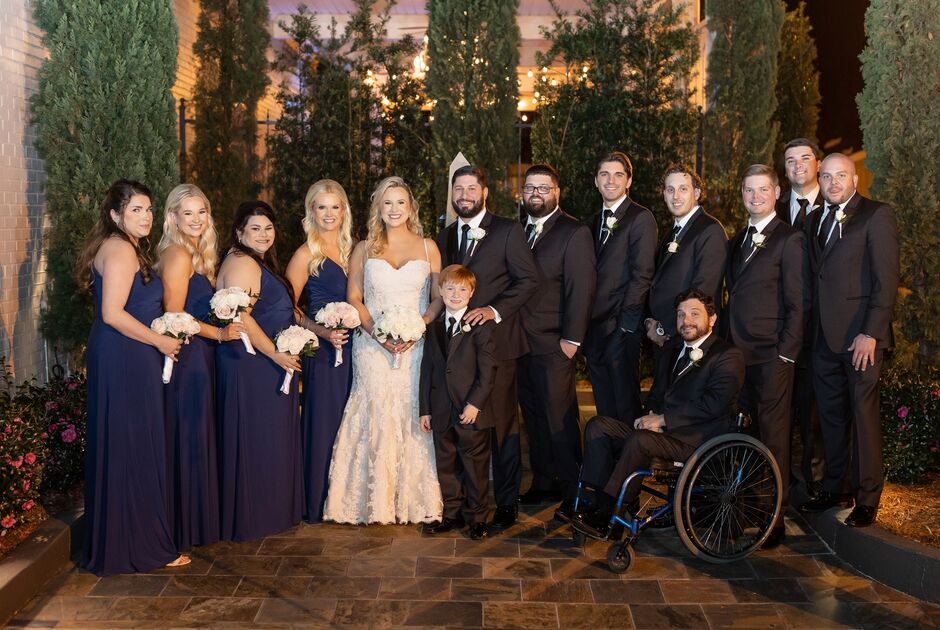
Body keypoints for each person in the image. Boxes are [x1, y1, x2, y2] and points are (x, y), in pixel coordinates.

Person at [568, 289, 745, 538]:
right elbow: (658, 392)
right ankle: (594, 501)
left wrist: (663, 420)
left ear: (712, 319)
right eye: (681, 314)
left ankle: (610, 514)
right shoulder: (673, 350)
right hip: (663, 435)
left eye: (695, 314)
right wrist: (650, 413)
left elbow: (714, 405)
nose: (686, 320)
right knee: (599, 426)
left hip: (698, 442)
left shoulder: (727, 355)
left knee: (640, 441)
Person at [79, 180, 188, 574]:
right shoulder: (122, 249)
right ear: (115, 215)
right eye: (136, 210)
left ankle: (124, 541)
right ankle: (142, 547)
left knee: (128, 444)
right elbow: (112, 313)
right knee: (135, 445)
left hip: (124, 352)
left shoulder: (123, 246)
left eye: (149, 209)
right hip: (124, 355)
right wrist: (160, 341)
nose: (146, 217)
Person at [323, 176, 444, 524]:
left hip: (414, 347)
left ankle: (411, 501)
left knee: (410, 412)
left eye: (400, 202)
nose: (394, 209)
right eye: (387, 203)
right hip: (371, 347)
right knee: (373, 410)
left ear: (411, 207)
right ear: (378, 207)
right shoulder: (364, 248)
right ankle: (368, 502)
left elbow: (437, 298)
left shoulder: (428, 248)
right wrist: (377, 333)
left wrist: (419, 326)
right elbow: (354, 297)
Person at [436, 165, 540, 529]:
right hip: (456, 353)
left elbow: (529, 280)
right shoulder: (445, 236)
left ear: (484, 193)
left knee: (502, 428)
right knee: (461, 429)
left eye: (471, 189)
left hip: (499, 345)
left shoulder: (508, 230)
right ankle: (464, 505)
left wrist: (493, 311)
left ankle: (506, 503)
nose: (464, 195)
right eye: (458, 189)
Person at [799, 153, 899, 528]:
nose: (833, 182)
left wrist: (871, 332)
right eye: (826, 176)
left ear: (855, 179)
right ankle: (836, 488)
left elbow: (886, 279)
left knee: (863, 417)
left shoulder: (876, 215)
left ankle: (868, 496)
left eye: (841, 175)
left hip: (861, 339)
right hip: (823, 339)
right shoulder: (814, 220)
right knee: (831, 417)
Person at [156, 184, 244, 551]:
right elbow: (174, 315)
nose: (196, 219)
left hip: (201, 357)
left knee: (197, 435)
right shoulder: (178, 255)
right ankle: (183, 528)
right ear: (173, 217)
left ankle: (196, 523)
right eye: (187, 213)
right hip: (188, 359)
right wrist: (220, 333)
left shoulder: (199, 255)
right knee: (189, 436)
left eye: (201, 212)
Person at [724, 165, 805, 548]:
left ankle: (775, 521)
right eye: (749, 190)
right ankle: (746, 510)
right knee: (743, 436)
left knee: (773, 439)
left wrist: (786, 354)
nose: (755, 197)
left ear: (776, 194)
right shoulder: (737, 239)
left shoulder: (790, 239)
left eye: (762, 190)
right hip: (738, 355)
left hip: (772, 357)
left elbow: (798, 302)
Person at [216, 201, 303, 541]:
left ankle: (266, 512)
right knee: (256, 439)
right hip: (253, 364)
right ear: (239, 232)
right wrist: (277, 354)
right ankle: (255, 517)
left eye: (268, 228)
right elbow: (241, 316)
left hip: (259, 363)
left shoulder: (254, 261)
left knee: (264, 439)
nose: (264, 234)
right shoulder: (243, 263)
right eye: (255, 228)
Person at [516, 164, 595, 516]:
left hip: (554, 343)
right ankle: (544, 481)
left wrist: (571, 340)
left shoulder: (574, 232)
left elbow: (581, 288)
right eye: (530, 188)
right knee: (533, 417)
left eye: (543, 188)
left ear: (556, 192)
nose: (536, 194)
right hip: (521, 342)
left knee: (559, 419)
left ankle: (573, 490)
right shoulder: (519, 230)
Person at [286, 180, 355, 523]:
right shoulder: (305, 254)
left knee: (354, 422)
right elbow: (287, 307)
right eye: (322, 207)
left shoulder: (355, 250)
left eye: (335, 206)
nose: (329, 214)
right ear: (311, 211)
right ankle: (318, 500)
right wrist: (321, 331)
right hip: (326, 353)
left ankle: (348, 500)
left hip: (358, 350)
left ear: (344, 211)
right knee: (325, 422)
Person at [420, 265, 497, 540]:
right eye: (450, 288)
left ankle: (477, 518)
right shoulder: (434, 328)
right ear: (440, 291)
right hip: (441, 409)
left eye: (462, 289)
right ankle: (452, 514)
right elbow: (427, 369)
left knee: (475, 467)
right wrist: (425, 409)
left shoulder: (480, 326)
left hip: (470, 410)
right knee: (447, 465)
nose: (455, 294)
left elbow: (488, 370)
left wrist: (475, 403)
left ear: (471, 293)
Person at [583, 151, 657, 426]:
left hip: (621, 329)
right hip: (594, 330)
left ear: (629, 181)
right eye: (604, 174)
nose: (610, 180)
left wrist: (626, 327)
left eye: (618, 174)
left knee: (626, 407)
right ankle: (607, 452)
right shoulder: (592, 222)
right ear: (596, 180)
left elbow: (642, 275)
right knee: (604, 407)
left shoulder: (641, 218)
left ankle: (631, 454)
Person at [775, 138, 826, 495]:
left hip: (825, 325)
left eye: (805, 158)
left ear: (818, 164)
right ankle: (782, 479)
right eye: (790, 160)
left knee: (817, 410)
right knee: (784, 407)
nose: (797, 165)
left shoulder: (836, 204)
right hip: (784, 324)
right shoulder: (774, 207)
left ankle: (816, 481)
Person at [645, 166, 727, 364]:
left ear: (696, 193)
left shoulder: (710, 230)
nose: (676, 196)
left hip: (689, 340)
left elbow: (703, 292)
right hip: (666, 341)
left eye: (683, 189)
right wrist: (650, 322)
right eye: (670, 190)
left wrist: (665, 329)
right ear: (664, 195)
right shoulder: (670, 233)